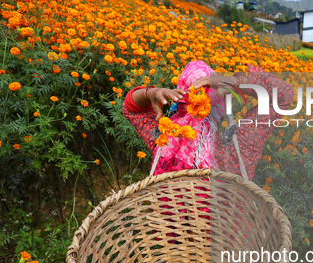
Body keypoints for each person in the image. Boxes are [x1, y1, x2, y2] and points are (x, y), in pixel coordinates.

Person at [122, 60, 293, 180]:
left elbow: (131, 109)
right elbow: (284, 95)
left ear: (180, 101)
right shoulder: (238, 143)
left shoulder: (168, 141)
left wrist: (151, 93)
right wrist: (235, 82)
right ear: (221, 101)